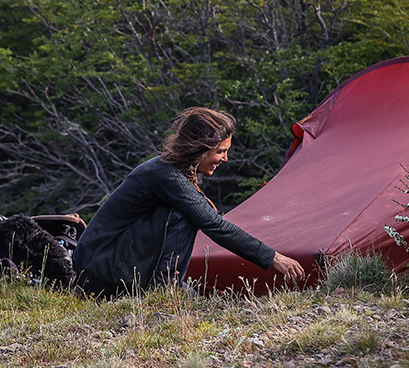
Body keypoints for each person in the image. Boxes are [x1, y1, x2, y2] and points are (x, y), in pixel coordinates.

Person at [72, 107, 305, 296]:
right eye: (221, 151)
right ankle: (165, 290)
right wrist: (273, 257)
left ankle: (168, 287)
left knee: (185, 216)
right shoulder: (167, 175)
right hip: (100, 269)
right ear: (200, 149)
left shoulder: (173, 171)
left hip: (101, 265)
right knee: (183, 214)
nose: (225, 158)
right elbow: (214, 225)